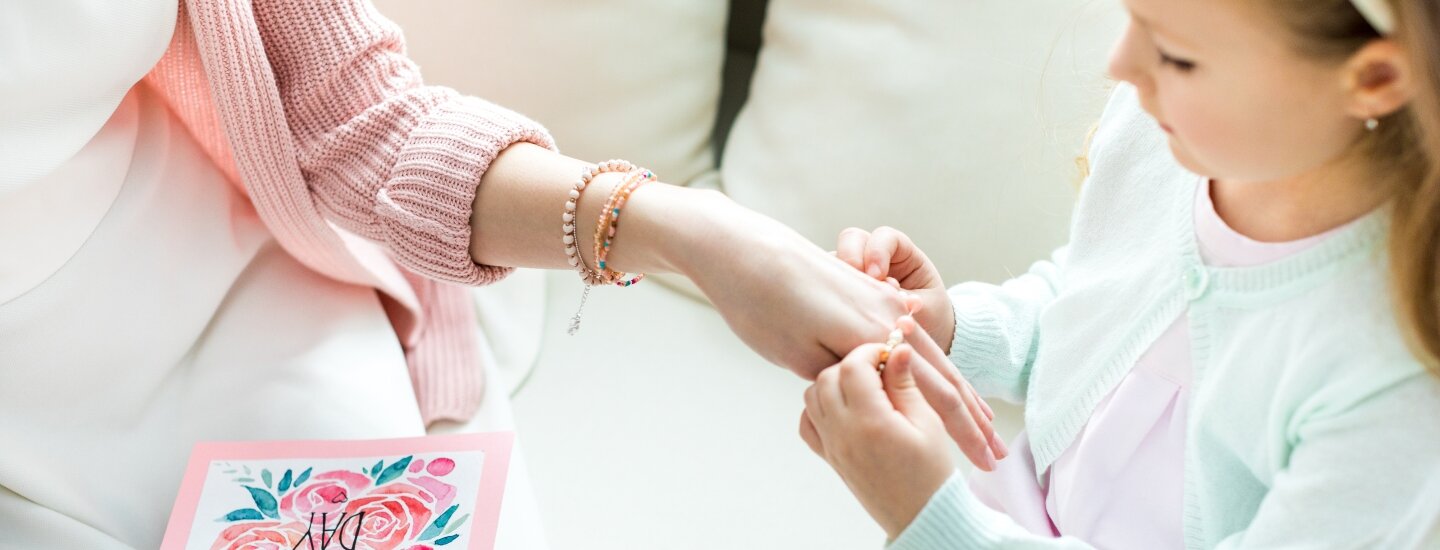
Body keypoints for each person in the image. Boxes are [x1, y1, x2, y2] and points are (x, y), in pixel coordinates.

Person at [800, 0, 1440, 547]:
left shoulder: (1395, 384)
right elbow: (1095, 296)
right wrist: (954, 330)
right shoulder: (1164, 136)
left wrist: (931, 516)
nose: (1119, 65)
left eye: (1177, 56)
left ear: (1375, 78)